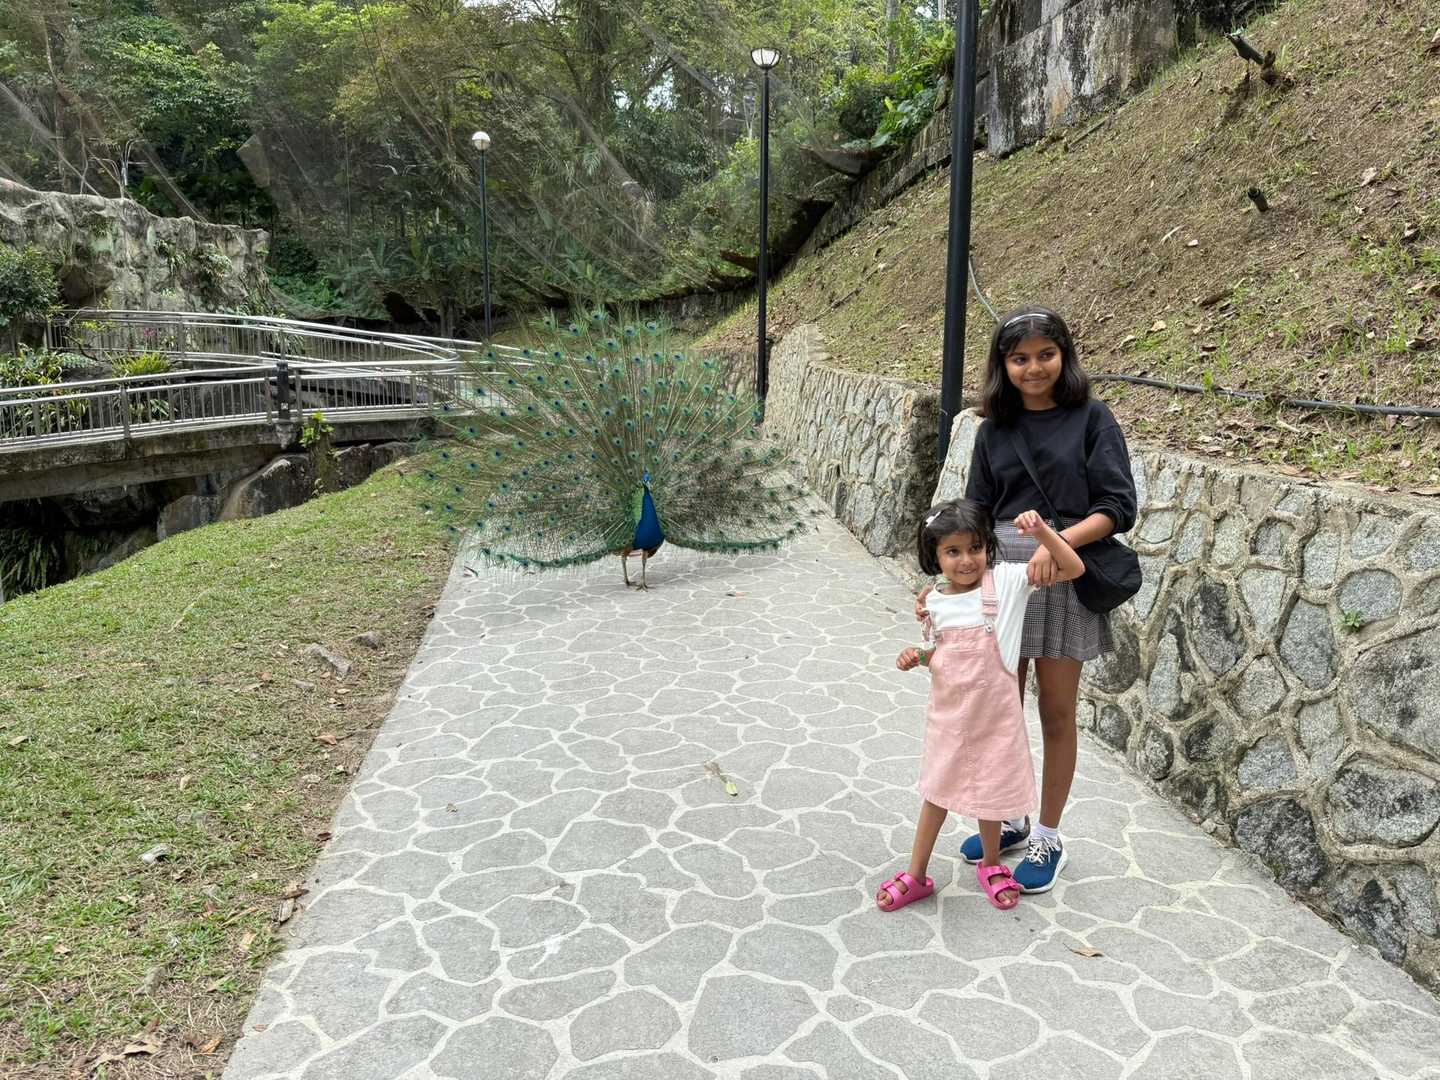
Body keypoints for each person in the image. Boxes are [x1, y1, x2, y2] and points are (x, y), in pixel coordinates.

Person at [916, 305, 1137, 893]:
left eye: (1046, 354)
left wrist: (1056, 542)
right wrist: (949, 584)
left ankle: (1047, 834)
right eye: (1020, 358)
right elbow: (975, 513)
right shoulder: (993, 429)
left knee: (1057, 713)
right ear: (1003, 365)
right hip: (998, 585)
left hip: (1063, 573)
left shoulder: (1092, 418)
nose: (1034, 367)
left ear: (1065, 356)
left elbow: (1118, 506)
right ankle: (1007, 816)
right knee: (999, 710)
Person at [877, 500, 1084, 912]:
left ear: (989, 545)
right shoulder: (935, 600)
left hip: (995, 720)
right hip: (948, 718)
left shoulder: (1007, 582)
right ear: (935, 555)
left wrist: (1042, 534)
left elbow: (1073, 568)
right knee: (936, 792)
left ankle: (991, 864)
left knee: (992, 794)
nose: (967, 560)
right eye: (953, 551)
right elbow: (938, 653)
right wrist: (917, 656)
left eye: (975, 547)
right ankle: (916, 874)